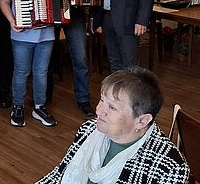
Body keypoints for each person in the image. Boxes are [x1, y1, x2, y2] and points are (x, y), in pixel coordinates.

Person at [37, 67, 190, 183]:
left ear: (142, 121)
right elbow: (59, 174)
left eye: (112, 107)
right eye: (102, 100)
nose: (99, 111)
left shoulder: (169, 168)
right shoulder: (88, 130)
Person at [0, 0, 58, 128]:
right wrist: (11, 20)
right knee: (21, 71)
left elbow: (60, 1)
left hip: (46, 35)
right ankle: (18, 107)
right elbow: (4, 1)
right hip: (22, 35)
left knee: (41, 72)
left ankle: (39, 106)